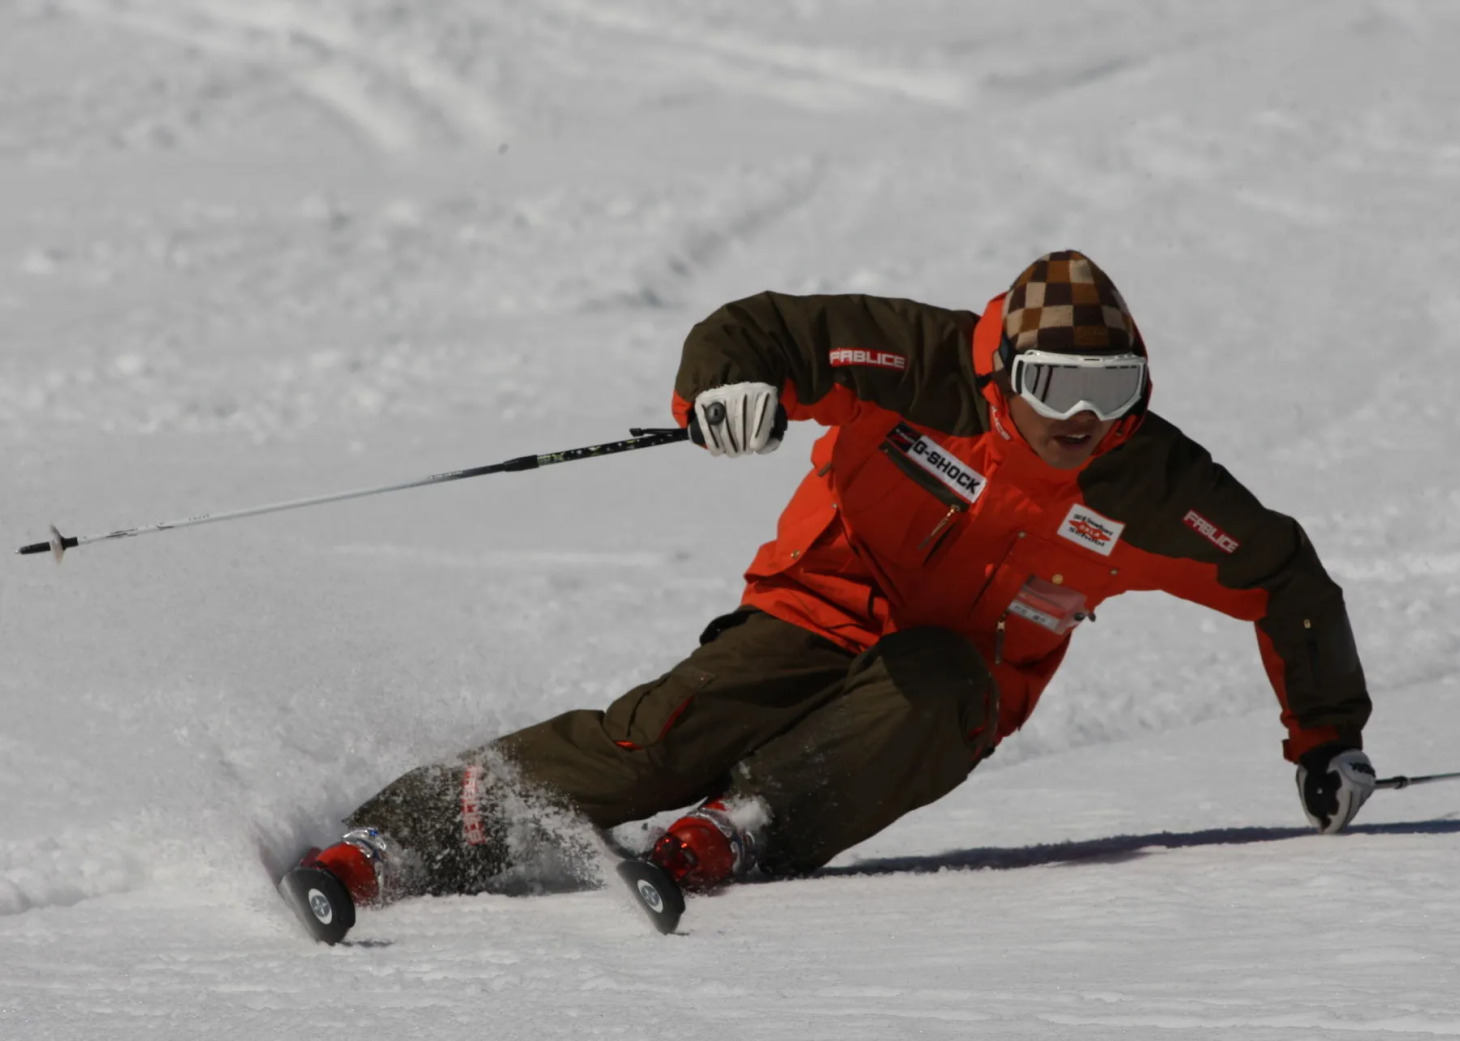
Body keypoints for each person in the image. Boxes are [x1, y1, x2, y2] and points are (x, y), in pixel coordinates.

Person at [297, 250, 1376, 918]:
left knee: (939, 682)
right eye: (1057, 385)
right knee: (664, 740)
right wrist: (726, 389)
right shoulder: (922, 362)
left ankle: (746, 827)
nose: (1083, 418)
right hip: (813, 610)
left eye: (1114, 388)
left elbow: (1288, 582)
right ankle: (406, 833)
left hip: (948, 694)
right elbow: (760, 331)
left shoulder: (1155, 486)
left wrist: (1327, 738)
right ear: (1006, 374)